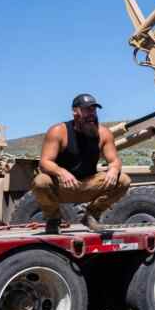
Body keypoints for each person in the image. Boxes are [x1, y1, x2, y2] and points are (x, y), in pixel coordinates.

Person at [32, 94, 130, 233]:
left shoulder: (104, 133)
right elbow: (45, 162)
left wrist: (113, 169)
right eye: (87, 110)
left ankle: (91, 215)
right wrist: (61, 172)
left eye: (94, 110)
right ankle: (53, 219)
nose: (91, 114)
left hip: (88, 184)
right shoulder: (58, 131)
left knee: (123, 180)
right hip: (62, 186)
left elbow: (114, 160)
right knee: (40, 181)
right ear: (75, 111)